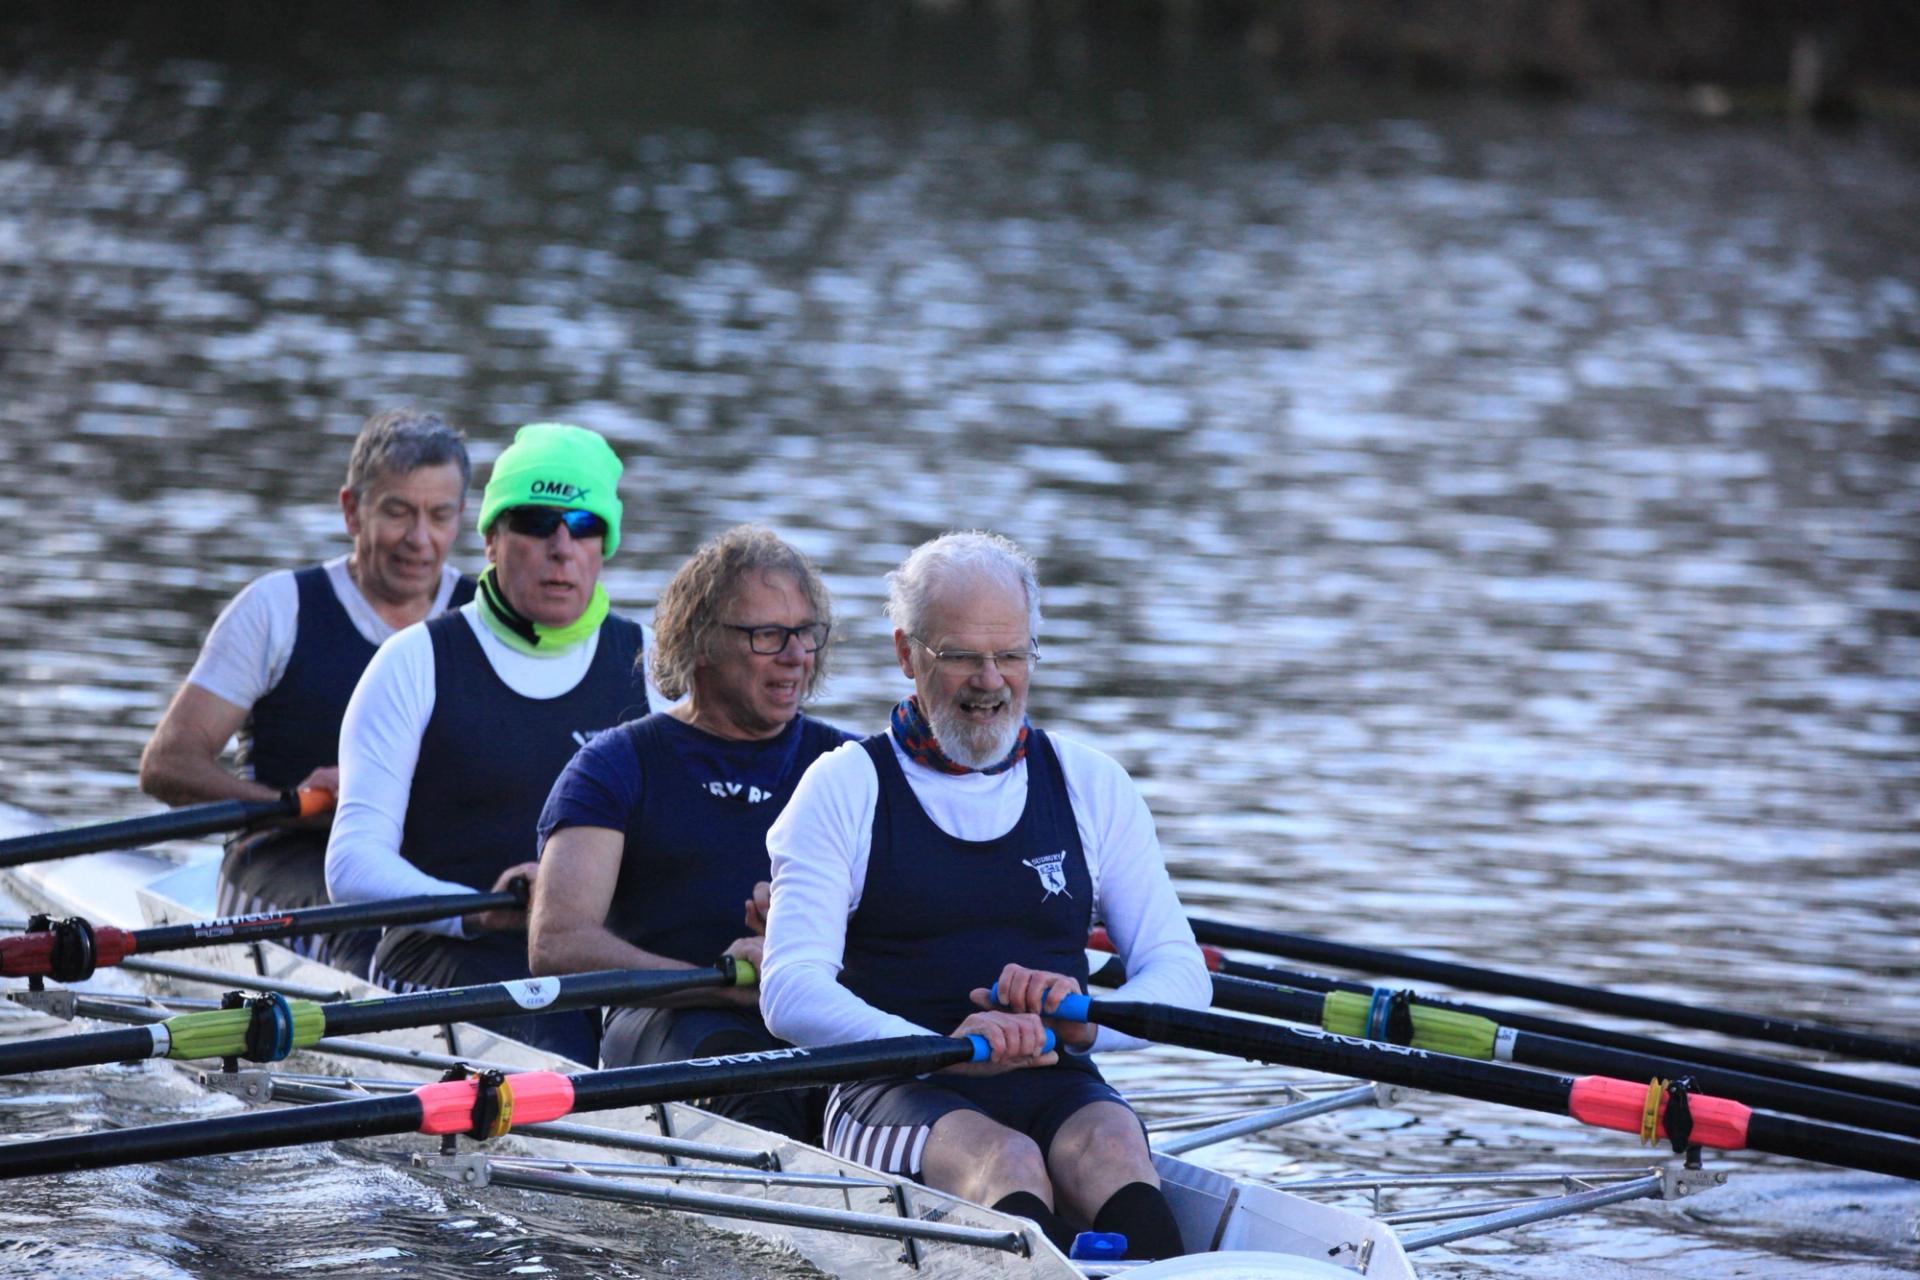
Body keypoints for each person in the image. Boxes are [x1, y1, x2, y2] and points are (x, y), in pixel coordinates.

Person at [761, 531, 1210, 1262]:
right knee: (1008, 1163)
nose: (991, 681)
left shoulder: (1092, 784)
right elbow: (788, 990)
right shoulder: (844, 788)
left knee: (1112, 1149)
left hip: (1053, 1077)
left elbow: (1182, 981)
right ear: (908, 654)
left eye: (1011, 656)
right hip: (890, 1086)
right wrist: (938, 1051)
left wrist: (1086, 1024)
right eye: (962, 656)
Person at [325, 422, 649, 1062]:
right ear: (494, 539)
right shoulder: (415, 660)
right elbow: (352, 866)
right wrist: (475, 910)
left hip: (595, 959)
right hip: (446, 950)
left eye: (584, 525)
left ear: (603, 543)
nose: (562, 546)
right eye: (535, 521)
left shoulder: (651, 662)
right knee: (556, 1035)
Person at [528, 525, 854, 1139]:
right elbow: (558, 945)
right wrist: (713, 977)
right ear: (700, 642)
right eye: (767, 635)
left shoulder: (848, 768)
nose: (796, 655)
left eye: (806, 633)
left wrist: (797, 952)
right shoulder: (616, 764)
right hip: (665, 1019)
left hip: (813, 1021)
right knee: (762, 1100)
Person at [138, 408, 473, 976]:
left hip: (425, 861)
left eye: (439, 516)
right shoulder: (277, 609)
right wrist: (289, 807)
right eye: (398, 512)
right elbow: (167, 766)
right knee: (373, 928)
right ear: (351, 510)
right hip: (285, 858)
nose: (420, 539)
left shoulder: (482, 617)